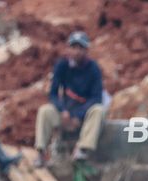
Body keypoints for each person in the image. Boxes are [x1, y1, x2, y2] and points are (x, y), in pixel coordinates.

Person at [34, 31, 104, 166]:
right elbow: (53, 94)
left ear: (86, 50)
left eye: (80, 48)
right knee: (45, 111)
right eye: (73, 48)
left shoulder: (93, 69)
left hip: (83, 115)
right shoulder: (62, 66)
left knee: (98, 110)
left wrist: (78, 115)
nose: (76, 52)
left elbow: (96, 98)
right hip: (65, 113)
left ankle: (82, 148)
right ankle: (41, 152)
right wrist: (63, 110)